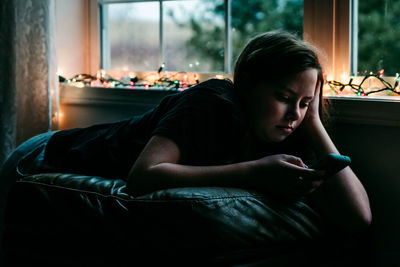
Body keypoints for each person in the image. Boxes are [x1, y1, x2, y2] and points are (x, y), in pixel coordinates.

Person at [38, 30, 371, 233]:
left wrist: (313, 122)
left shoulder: (293, 127)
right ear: (249, 87)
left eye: (304, 103)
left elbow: (359, 217)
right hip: (46, 153)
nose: (293, 114)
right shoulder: (210, 101)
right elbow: (143, 175)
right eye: (284, 98)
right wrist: (256, 173)